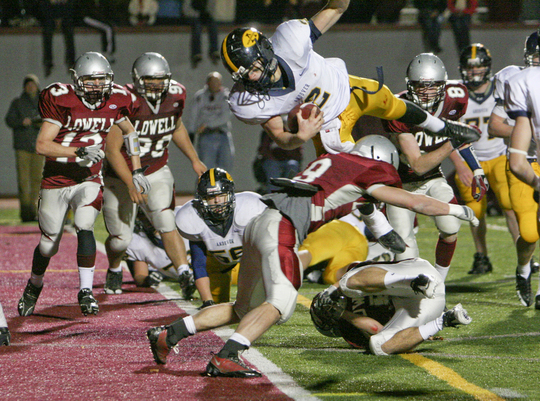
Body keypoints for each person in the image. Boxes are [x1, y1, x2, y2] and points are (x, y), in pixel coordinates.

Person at [145, 135, 479, 378]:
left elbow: (361, 205)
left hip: (259, 224)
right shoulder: (370, 173)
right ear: (383, 159)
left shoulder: (336, 163)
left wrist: (384, 234)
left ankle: (169, 334)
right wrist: (457, 209)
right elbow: (415, 203)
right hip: (281, 227)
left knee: (243, 308)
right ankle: (228, 356)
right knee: (281, 304)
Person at [220, 0, 480, 270]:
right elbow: (280, 137)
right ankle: (377, 223)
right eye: (244, 74)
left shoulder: (291, 39)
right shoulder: (246, 100)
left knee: (391, 103)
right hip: (328, 122)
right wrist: (301, 137)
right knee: (354, 174)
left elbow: (335, 8)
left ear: (265, 50)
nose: (252, 78)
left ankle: (443, 127)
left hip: (347, 87)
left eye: (253, 67)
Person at [17, 52, 150, 317]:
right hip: (56, 180)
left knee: (84, 224)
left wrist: (136, 169)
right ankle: (34, 284)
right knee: (48, 245)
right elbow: (42, 144)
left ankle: (86, 291)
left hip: (89, 178)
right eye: (90, 81)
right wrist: (78, 153)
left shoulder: (116, 99)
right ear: (77, 81)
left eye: (101, 80)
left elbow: (130, 131)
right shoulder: (61, 99)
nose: (97, 87)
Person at [102, 52, 206, 299]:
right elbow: (111, 149)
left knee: (165, 221)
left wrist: (194, 159)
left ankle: (183, 273)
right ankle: (115, 267)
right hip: (120, 175)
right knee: (120, 238)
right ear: (137, 79)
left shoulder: (176, 94)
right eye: (150, 80)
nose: (156, 85)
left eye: (160, 79)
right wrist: (130, 182)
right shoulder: (125, 99)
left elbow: (176, 125)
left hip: (156, 169)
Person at [382, 53, 482, 282]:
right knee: (405, 254)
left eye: (433, 86)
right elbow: (417, 165)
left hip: (433, 178)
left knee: (450, 226)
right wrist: (453, 141)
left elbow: (459, 137)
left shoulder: (456, 99)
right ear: (410, 86)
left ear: (443, 85)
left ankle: (439, 281)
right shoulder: (399, 109)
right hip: (399, 184)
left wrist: (476, 168)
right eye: (420, 86)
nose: (426, 92)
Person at [309, 258, 472, 355]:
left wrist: (335, 289)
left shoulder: (348, 282)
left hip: (416, 274)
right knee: (379, 346)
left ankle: (415, 281)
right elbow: (376, 329)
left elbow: (362, 268)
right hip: (423, 308)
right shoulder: (348, 328)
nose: (331, 305)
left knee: (347, 282)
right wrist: (344, 314)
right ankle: (445, 320)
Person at [454, 43, 519, 274]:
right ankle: (481, 255)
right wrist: (460, 165)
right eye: (470, 68)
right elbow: (448, 134)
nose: (474, 72)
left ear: (487, 67)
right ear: (463, 69)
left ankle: (524, 256)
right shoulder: (457, 95)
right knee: (475, 213)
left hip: (501, 156)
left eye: (479, 67)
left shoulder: (501, 90)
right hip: (472, 163)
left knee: (512, 207)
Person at [493, 31, 540, 308]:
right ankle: (523, 269)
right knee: (530, 232)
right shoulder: (516, 80)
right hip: (525, 163)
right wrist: (530, 133)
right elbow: (495, 126)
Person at [176, 168, 268, 307]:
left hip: (250, 264)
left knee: (256, 306)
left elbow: (268, 248)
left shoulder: (250, 207)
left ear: (231, 194)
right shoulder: (193, 217)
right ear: (202, 199)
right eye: (211, 197)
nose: (218, 201)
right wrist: (207, 301)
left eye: (222, 195)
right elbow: (199, 264)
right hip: (218, 266)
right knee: (215, 308)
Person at [5, 74, 44, 222]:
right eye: (28, 84)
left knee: (37, 180)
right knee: (23, 181)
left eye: (33, 84)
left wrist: (40, 122)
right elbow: (9, 120)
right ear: (24, 86)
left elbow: (51, 119)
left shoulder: (43, 102)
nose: (30, 87)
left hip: (38, 146)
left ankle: (35, 211)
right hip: (22, 146)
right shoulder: (17, 102)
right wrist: (22, 122)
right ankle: (25, 212)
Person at [124, 209, 188, 288]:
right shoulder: (139, 242)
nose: (149, 219)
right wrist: (148, 280)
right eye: (144, 216)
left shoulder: (182, 218)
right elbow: (140, 276)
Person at [187, 72, 234, 172]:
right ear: (207, 83)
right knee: (206, 169)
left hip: (223, 134)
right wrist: (191, 132)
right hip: (206, 136)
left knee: (226, 167)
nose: (215, 84)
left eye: (217, 82)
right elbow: (193, 115)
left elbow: (225, 117)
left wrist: (208, 124)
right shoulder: (200, 96)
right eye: (212, 82)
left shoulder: (226, 96)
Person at [253, 130, 303, 194]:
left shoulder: (292, 132)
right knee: (272, 166)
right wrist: (273, 157)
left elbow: (298, 153)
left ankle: (289, 192)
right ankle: (273, 194)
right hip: (272, 160)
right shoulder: (268, 133)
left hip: (288, 160)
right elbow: (263, 150)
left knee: (293, 164)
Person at [37, 0, 76, 77]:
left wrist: (61, 18)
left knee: (69, 31)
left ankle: (71, 61)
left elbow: (70, 6)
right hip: (49, 16)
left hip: (65, 16)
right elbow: (43, 7)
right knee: (47, 32)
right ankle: (48, 62)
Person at [182, 0, 219, 68]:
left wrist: (207, 14)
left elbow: (211, 8)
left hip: (204, 16)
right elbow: (186, 10)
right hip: (192, 16)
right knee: (197, 28)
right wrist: (198, 14)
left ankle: (214, 51)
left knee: (213, 25)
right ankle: (196, 53)